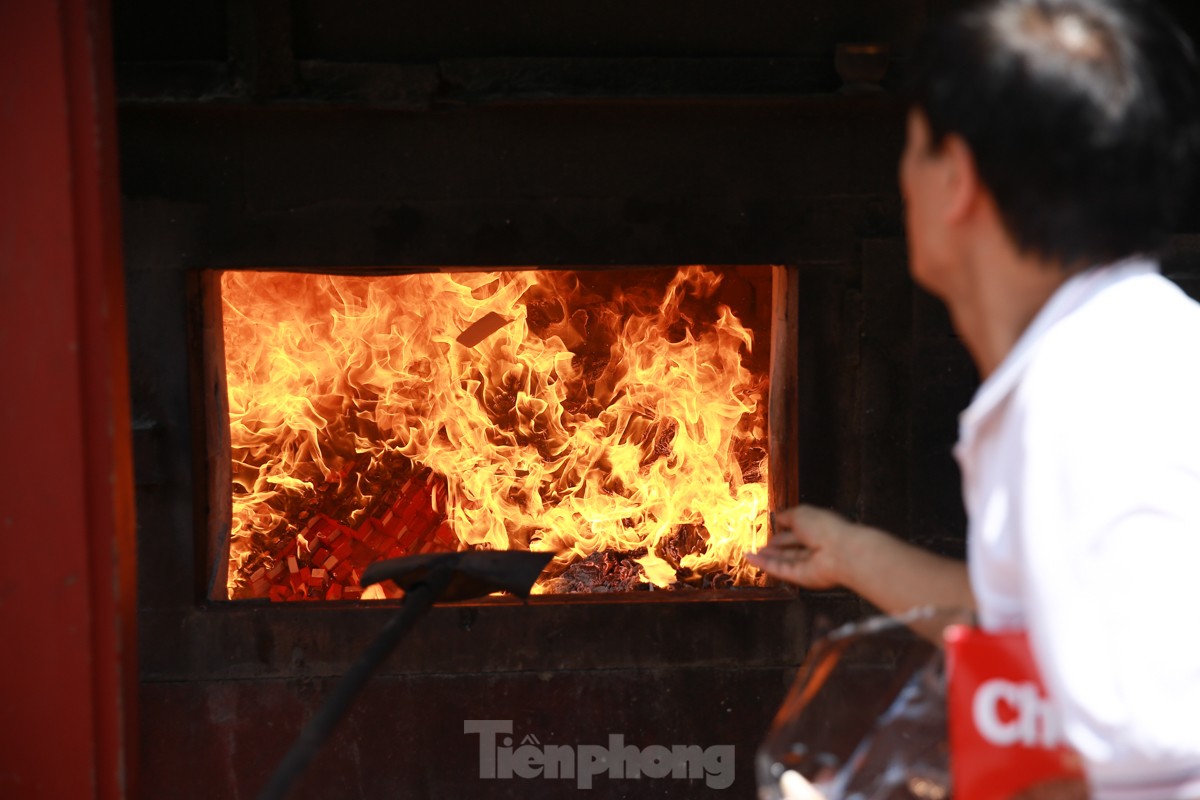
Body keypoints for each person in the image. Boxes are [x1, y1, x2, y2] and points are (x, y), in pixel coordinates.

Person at [746, 1, 1200, 797]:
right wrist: (851, 554)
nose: (902, 178)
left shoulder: (1091, 396)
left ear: (956, 179)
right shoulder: (1109, 353)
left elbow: (1147, 737)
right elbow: (1040, 634)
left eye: (913, 148)